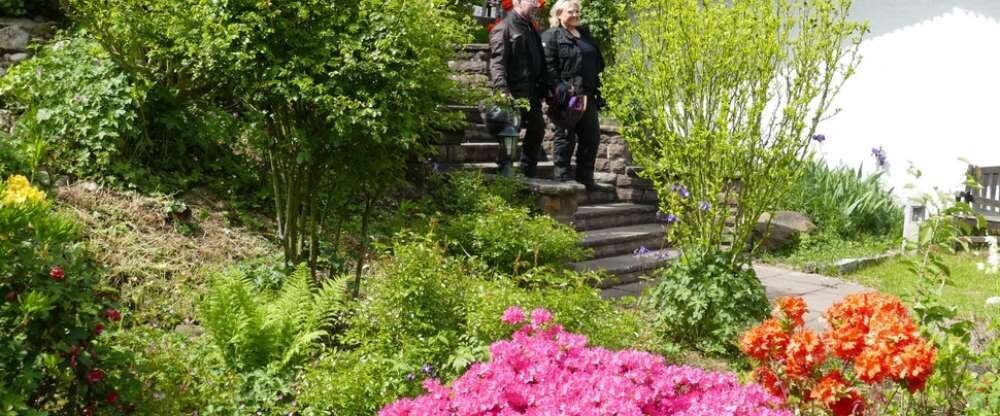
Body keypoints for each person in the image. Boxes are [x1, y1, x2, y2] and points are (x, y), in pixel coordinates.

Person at [542, 0, 605, 190]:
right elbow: (549, 66)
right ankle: (562, 176)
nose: (576, 15)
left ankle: (585, 177)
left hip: (588, 94)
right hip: (569, 95)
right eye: (571, 11)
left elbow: (596, 62)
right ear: (559, 14)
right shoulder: (552, 36)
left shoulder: (585, 35)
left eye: (577, 11)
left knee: (591, 137)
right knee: (566, 134)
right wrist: (560, 89)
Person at [488, 0, 547, 178]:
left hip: (532, 91)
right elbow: (497, 64)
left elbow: (539, 60)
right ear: (517, 2)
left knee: (538, 128)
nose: (536, 5)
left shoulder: (531, 28)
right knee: (509, 132)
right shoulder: (504, 28)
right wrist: (502, 90)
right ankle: (504, 172)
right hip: (513, 91)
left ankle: (528, 170)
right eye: (531, 1)